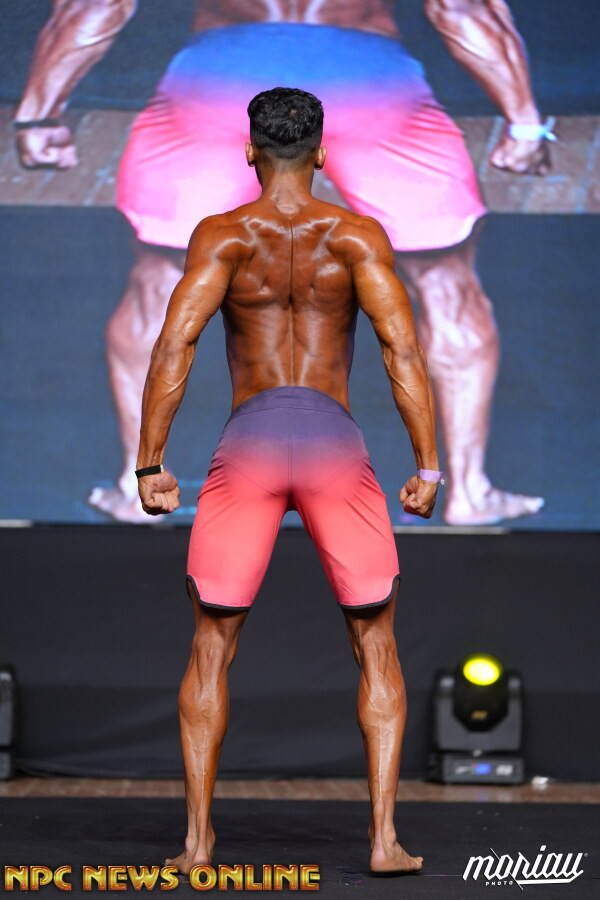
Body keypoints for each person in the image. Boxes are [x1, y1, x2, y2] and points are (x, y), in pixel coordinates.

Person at [14, 0, 550, 525]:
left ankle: (138, 493)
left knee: (160, 283)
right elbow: (462, 10)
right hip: (368, 81)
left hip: (218, 80)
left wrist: (38, 114)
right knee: (444, 283)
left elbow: (94, 6)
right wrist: (524, 123)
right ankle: (469, 493)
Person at [135, 87, 439, 874]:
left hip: (253, 444)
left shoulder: (224, 237)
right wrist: (428, 464)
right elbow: (402, 352)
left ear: (249, 151)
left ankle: (197, 844)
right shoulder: (358, 237)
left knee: (212, 645)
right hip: (334, 445)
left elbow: (174, 345)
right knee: (375, 641)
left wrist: (150, 462)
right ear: (323, 153)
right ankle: (384, 842)